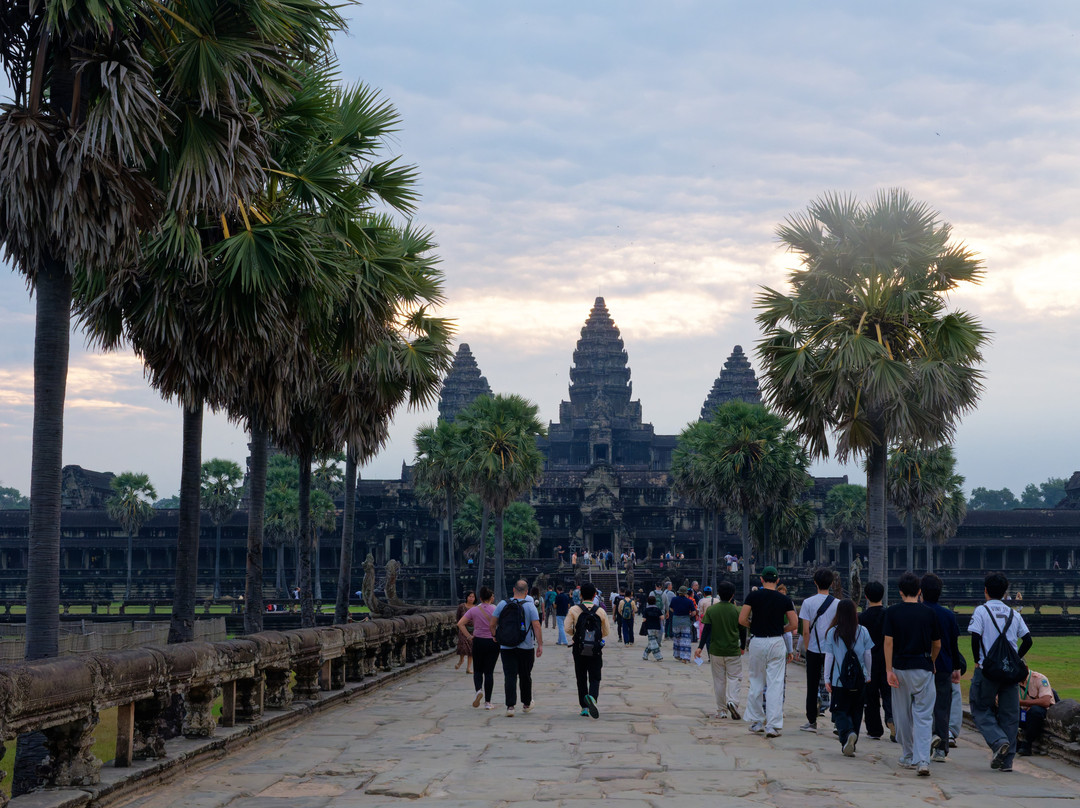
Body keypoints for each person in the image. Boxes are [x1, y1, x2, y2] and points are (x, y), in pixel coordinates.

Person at [968, 571, 1032, 772]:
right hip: (1010, 671)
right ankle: (1007, 761)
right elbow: (1028, 640)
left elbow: (975, 637)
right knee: (1010, 714)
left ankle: (998, 741)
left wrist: (978, 661)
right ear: (1006, 592)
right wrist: (1015, 659)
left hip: (987, 669)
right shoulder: (1014, 613)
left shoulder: (981, 611)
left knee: (979, 707)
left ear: (986, 590)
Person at [884, 571, 941, 777]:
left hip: (899, 667)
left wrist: (888, 669)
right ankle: (923, 760)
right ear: (919, 591)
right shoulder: (929, 613)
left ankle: (908, 754)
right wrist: (932, 661)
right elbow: (937, 644)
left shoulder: (892, 612)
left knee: (901, 715)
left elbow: (888, 642)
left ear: (900, 592)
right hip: (922, 666)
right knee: (924, 716)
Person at [739, 566, 799, 738]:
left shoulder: (753, 596)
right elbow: (794, 624)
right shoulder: (784, 599)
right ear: (778, 580)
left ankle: (757, 721)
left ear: (762, 580)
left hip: (758, 640)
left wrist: (754, 626)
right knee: (775, 684)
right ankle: (772, 725)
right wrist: (782, 628)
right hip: (776, 641)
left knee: (756, 681)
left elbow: (742, 619)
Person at [822, 598, 873, 757]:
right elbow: (868, 655)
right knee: (856, 711)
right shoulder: (863, 631)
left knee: (839, 711)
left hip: (839, 679)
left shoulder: (833, 632)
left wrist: (827, 678)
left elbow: (829, 657)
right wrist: (868, 674)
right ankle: (852, 741)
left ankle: (847, 735)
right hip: (859, 679)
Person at [920, 573, 962, 762]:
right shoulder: (948, 615)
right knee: (942, 707)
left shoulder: (918, 612)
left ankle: (925, 742)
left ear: (921, 592)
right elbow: (953, 645)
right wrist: (956, 666)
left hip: (921, 665)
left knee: (921, 706)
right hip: (944, 665)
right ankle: (941, 747)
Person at [490, 580, 543, 717]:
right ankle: (526, 703)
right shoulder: (530, 606)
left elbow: (492, 623)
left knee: (510, 675)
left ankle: (510, 706)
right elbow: (536, 626)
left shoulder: (503, 604)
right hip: (526, 646)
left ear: (513, 590)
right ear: (526, 592)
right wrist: (540, 644)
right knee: (525, 675)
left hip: (506, 646)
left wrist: (495, 635)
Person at [695, 580, 745, 719]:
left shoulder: (712, 610)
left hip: (716, 650)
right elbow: (743, 630)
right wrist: (742, 647)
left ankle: (722, 710)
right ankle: (732, 702)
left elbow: (706, 630)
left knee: (719, 680)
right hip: (733, 650)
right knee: (735, 678)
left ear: (719, 594)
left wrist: (700, 647)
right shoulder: (737, 610)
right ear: (732, 595)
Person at [798, 567, 840, 733]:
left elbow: (806, 630)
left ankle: (812, 720)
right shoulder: (838, 604)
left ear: (815, 582)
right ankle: (837, 720)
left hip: (814, 649)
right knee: (836, 684)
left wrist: (808, 649)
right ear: (831, 583)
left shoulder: (808, 602)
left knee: (812, 684)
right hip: (833, 650)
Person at [564, 582, 611, 718]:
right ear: (595, 595)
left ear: (581, 595)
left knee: (581, 677)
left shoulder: (574, 609)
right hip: (595, 648)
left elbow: (567, 628)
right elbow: (606, 631)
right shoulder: (600, 611)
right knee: (595, 676)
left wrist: (577, 635)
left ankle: (584, 707)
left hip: (579, 647)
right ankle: (593, 697)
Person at [859, 581, 894, 741]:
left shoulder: (862, 618)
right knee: (889, 694)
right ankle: (892, 719)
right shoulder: (889, 614)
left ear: (866, 597)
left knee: (871, 696)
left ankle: (874, 729)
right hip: (887, 660)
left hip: (868, 661)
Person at [458, 586, 498, 709]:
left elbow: (460, 623)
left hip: (478, 641)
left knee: (478, 670)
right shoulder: (496, 609)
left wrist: (469, 636)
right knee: (489, 672)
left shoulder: (474, 610)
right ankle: (488, 702)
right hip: (492, 641)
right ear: (491, 598)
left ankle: (478, 691)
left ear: (480, 598)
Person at [1018, 668, 1056, 756]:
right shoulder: (1013, 680)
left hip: (1039, 713)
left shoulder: (1039, 679)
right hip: (1023, 712)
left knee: (1035, 711)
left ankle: (1027, 743)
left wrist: (1024, 703)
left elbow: (1046, 702)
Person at [668, 586, 697, 662]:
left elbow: (670, 608)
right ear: (685, 593)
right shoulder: (689, 601)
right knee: (685, 640)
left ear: (679, 592)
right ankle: (685, 657)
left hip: (676, 621)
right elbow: (694, 612)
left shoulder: (674, 599)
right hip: (685, 621)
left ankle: (677, 655)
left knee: (677, 639)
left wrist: (675, 611)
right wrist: (689, 615)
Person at [455, 591, 476, 673]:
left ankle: (468, 668)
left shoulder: (476, 608)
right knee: (463, 646)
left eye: (473, 597)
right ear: (466, 597)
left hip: (473, 630)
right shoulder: (461, 606)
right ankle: (461, 660)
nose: (471, 598)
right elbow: (458, 618)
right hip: (463, 629)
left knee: (471, 648)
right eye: (470, 596)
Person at [641, 595, 664, 661]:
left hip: (649, 627)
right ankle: (657, 656)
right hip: (657, 627)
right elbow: (662, 617)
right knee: (654, 641)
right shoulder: (658, 609)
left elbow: (644, 619)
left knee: (652, 642)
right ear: (655, 602)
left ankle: (646, 654)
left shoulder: (646, 610)